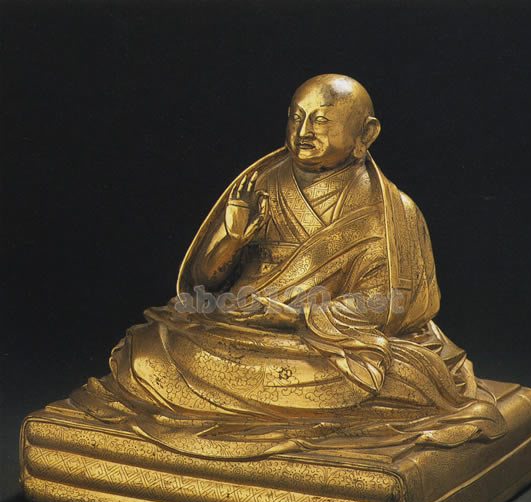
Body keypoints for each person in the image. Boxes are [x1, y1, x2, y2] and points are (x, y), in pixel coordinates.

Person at [71, 74, 505, 459]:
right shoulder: (260, 184)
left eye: (321, 120)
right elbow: (201, 284)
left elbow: (393, 305)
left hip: (323, 347)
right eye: (297, 117)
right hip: (238, 329)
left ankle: (245, 403)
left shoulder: (391, 213)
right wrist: (231, 238)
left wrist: (296, 317)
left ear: (366, 134)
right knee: (150, 347)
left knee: (396, 375)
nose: (303, 131)